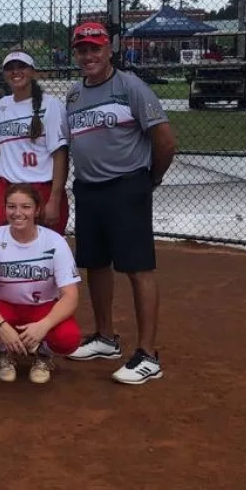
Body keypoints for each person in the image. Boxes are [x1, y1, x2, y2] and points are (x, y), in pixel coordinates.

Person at [64, 22, 177, 385]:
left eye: (95, 48)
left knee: (138, 267)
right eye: (82, 50)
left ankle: (148, 353)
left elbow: (165, 141)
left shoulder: (130, 87)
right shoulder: (73, 95)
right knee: (95, 264)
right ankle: (105, 337)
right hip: (89, 189)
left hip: (127, 187)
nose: (89, 56)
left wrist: (150, 179)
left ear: (108, 51)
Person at [0, 182, 82, 384]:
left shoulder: (55, 242)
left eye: (26, 207)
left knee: (68, 338)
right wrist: (1, 325)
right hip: (4, 306)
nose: (17, 213)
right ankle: (2, 353)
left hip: (42, 307)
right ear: (4, 209)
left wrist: (44, 325)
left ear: (37, 210)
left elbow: (71, 296)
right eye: (11, 206)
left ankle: (44, 356)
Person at [0, 50, 70, 233]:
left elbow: (60, 154)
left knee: (47, 248)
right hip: (8, 187)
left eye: (21, 67)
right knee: (8, 247)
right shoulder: (0, 106)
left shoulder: (50, 105)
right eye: (10, 68)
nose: (15, 72)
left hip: (42, 187)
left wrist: (54, 199)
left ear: (33, 71)